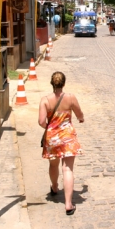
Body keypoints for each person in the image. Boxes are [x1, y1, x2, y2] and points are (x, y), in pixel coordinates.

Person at [38, 72, 85, 215]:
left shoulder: (45, 100)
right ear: (63, 83)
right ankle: (69, 204)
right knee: (68, 169)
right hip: (68, 137)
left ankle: (54, 187)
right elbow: (79, 113)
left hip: (52, 138)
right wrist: (81, 119)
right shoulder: (70, 98)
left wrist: (51, 128)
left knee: (53, 165)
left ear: (51, 83)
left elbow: (41, 121)